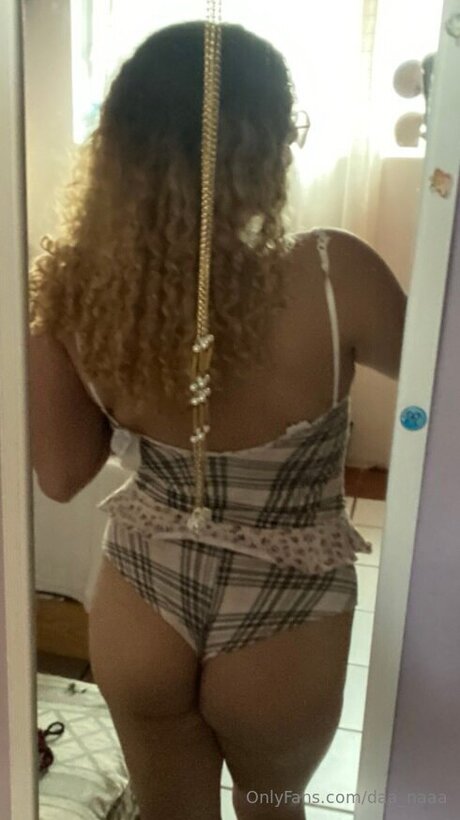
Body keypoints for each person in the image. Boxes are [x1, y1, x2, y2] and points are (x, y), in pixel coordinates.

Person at [28, 21, 406, 820]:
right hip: (288, 602)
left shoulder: (68, 285)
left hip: (142, 597)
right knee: (272, 809)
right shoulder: (334, 274)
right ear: (261, 144)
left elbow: (60, 477)